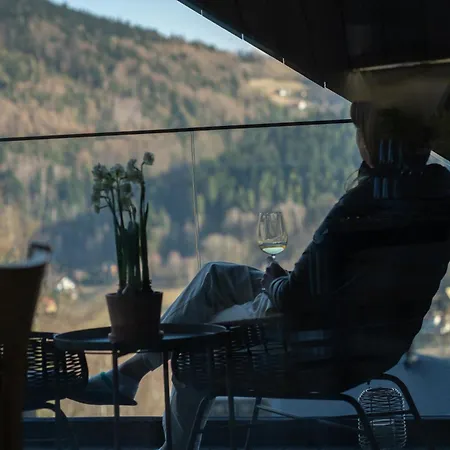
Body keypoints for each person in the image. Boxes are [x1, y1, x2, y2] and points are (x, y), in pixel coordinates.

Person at [77, 101, 450, 450]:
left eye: (360, 133)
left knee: (192, 353)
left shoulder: (360, 206)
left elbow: (294, 297)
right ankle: (133, 371)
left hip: (311, 342)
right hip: (368, 343)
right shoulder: (435, 199)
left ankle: (163, 425)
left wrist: (274, 281)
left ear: (374, 143)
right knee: (216, 276)